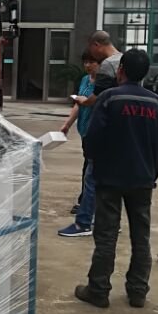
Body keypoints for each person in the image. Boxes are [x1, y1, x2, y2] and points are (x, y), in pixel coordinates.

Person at [74, 49, 158, 309]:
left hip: (110, 179)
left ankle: (98, 290)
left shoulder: (109, 98)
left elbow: (92, 139)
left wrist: (95, 164)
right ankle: (138, 291)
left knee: (106, 236)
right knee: (141, 237)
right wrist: (151, 174)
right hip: (142, 180)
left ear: (121, 70)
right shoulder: (157, 103)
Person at [58, 51, 100, 237]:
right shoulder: (85, 80)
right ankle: (88, 206)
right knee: (88, 169)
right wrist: (67, 124)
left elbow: (92, 102)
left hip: (97, 132)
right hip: (85, 131)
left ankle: (90, 213)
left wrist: (86, 101)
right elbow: (78, 104)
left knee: (91, 172)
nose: (88, 66)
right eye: (86, 62)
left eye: (92, 62)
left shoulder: (104, 83)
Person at [73, 31, 122, 111]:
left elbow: (99, 94)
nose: (91, 53)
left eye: (91, 49)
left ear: (96, 45)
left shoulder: (108, 63)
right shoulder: (124, 59)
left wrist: (84, 101)